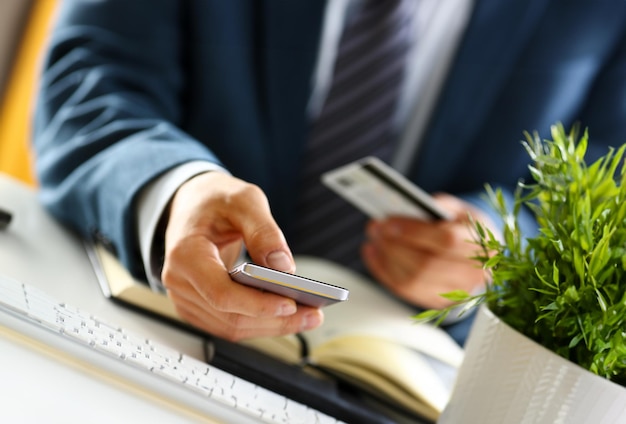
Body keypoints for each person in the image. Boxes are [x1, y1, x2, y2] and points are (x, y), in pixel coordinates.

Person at [33, 0, 626, 346]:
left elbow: (606, 198)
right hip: (133, 327)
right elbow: (89, 81)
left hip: (414, 379)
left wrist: (499, 250)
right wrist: (175, 191)